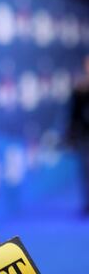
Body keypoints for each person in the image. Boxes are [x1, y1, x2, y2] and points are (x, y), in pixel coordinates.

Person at [68, 55, 89, 216]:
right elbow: (74, 115)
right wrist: (72, 134)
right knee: (86, 169)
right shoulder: (80, 89)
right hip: (85, 136)